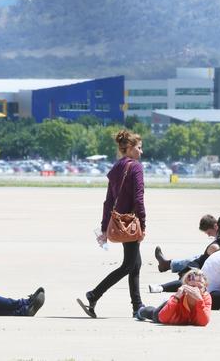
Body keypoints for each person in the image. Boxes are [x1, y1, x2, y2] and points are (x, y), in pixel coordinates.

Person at [77, 130, 146, 318]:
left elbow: (108, 201)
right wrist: (143, 225)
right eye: (139, 148)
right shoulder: (136, 167)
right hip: (130, 223)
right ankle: (94, 294)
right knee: (128, 265)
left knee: (136, 264)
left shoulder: (116, 168)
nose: (141, 152)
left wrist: (104, 226)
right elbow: (139, 199)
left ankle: (137, 306)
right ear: (130, 148)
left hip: (117, 222)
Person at [148, 217, 220, 293]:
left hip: (202, 270)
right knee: (191, 282)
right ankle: (160, 287)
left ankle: (167, 265)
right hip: (194, 268)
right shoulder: (215, 247)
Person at [135, 268, 211, 326]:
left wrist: (199, 300)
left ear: (205, 287)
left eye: (200, 287)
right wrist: (176, 298)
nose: (195, 290)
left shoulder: (206, 297)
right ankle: (140, 311)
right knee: (153, 314)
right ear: (185, 286)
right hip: (169, 314)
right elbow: (163, 318)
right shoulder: (179, 296)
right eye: (192, 286)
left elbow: (203, 322)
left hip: (185, 320)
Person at [154, 214, 219, 273]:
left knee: (194, 261)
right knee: (195, 259)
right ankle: (167, 264)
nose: (209, 235)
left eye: (209, 233)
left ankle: (167, 265)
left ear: (215, 226)